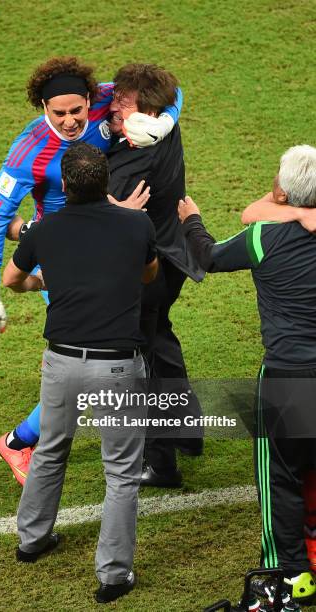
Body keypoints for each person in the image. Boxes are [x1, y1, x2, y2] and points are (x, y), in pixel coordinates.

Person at [0, 56, 182, 484]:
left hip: (109, 247)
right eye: (57, 113)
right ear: (43, 109)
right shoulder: (27, 151)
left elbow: (170, 90)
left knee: (108, 357)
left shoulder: (108, 99)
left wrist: (166, 121)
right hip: (63, 259)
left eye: (76, 111)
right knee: (96, 359)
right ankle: (18, 442)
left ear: (89, 99)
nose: (68, 121)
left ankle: (145, 441)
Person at [2, 142, 158, 604]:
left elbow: (12, 279)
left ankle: (31, 540)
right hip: (118, 366)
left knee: (50, 451)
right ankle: (113, 575)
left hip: (62, 361)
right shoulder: (137, 224)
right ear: (106, 184)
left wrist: (47, 281)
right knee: (121, 474)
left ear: (65, 186)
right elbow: (149, 274)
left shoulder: (45, 230)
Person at [178, 144, 316, 607]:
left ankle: (291, 576)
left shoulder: (262, 237)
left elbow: (208, 258)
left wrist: (191, 220)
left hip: (287, 379)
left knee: (279, 477)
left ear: (282, 191)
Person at [107, 63, 205, 487]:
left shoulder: (130, 166)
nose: (113, 107)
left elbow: (99, 217)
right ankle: (189, 430)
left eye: (122, 103)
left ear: (145, 110)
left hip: (145, 268)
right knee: (160, 337)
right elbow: (176, 96)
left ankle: (160, 461)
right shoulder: (165, 124)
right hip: (175, 254)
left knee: (141, 362)